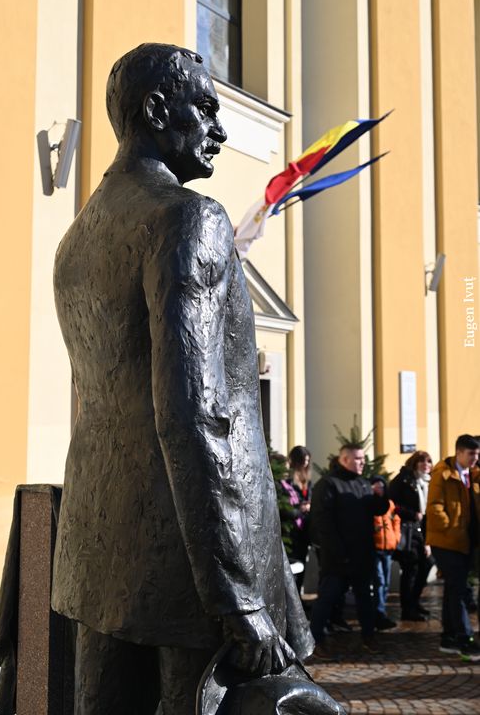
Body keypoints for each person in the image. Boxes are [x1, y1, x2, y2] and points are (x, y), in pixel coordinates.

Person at [51, 44, 314, 715]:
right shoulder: (188, 217)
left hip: (101, 552)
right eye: (205, 109)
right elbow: (191, 413)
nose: (219, 131)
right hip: (192, 577)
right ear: (155, 110)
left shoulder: (77, 239)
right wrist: (238, 597)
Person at [309, 445, 389, 654]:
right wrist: (338, 552)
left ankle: (368, 637)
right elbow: (322, 523)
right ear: (344, 459)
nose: (363, 462)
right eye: (358, 459)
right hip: (338, 557)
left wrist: (381, 495)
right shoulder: (328, 484)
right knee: (327, 598)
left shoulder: (363, 483)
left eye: (363, 458)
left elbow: (379, 509)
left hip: (362, 554)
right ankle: (314, 640)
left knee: (365, 598)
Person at [426, 434, 480, 661]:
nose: (474, 458)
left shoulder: (474, 474)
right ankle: (464, 638)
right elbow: (434, 507)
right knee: (459, 589)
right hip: (446, 542)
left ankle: (448, 637)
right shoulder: (442, 474)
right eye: (471, 454)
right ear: (458, 453)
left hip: (466, 542)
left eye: (477, 454)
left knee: (452, 588)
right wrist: (451, 528)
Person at [389, 450, 434, 621]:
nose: (426, 465)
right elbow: (392, 504)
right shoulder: (403, 480)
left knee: (427, 564)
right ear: (414, 464)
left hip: (423, 530)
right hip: (407, 530)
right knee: (411, 569)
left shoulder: (428, 482)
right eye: (422, 462)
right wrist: (412, 514)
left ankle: (414, 602)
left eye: (429, 462)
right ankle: (407, 609)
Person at [371, 476, 401, 630]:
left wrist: (396, 538)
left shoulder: (389, 504)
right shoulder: (369, 503)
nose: (379, 489)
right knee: (380, 581)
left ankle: (380, 610)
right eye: (376, 486)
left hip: (388, 547)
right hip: (375, 548)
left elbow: (396, 520)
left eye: (381, 486)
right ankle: (378, 613)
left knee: (386, 582)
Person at [284, 446, 312, 591]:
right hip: (292, 529)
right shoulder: (288, 480)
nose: (305, 464)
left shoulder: (307, 480)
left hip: (304, 528)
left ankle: (299, 594)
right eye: (303, 461)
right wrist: (302, 507)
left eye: (307, 461)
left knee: (302, 563)